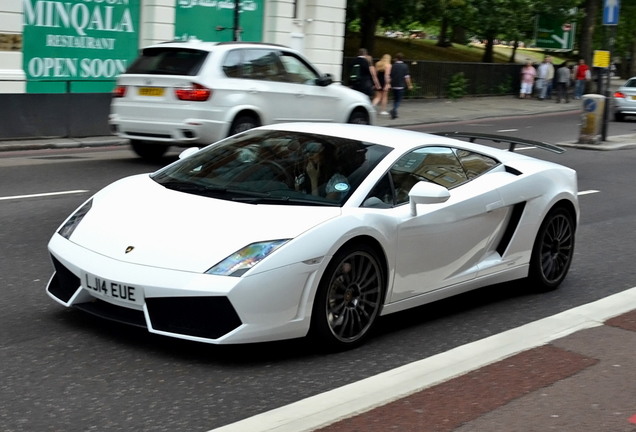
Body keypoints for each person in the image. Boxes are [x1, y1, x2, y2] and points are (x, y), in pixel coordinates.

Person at [389, 53, 413, 120]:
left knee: (395, 99)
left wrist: (388, 84)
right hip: (401, 85)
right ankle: (394, 110)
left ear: (396, 58)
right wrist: (409, 85)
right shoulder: (405, 66)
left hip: (394, 85)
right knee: (398, 100)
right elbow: (407, 77)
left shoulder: (393, 66)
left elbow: (390, 76)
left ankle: (394, 112)